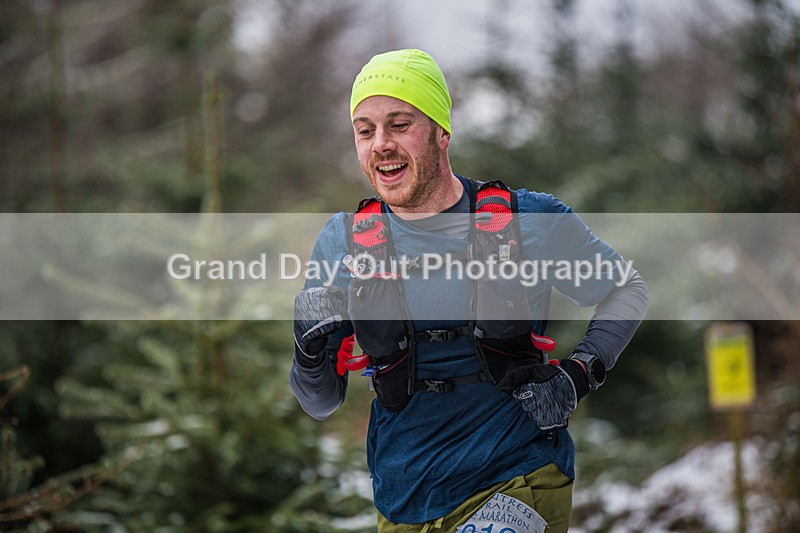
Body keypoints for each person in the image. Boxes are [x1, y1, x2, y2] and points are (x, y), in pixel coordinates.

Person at [289, 49, 649, 533]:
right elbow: (320, 402)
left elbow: (627, 287)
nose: (381, 145)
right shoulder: (343, 241)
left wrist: (578, 374)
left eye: (400, 124)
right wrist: (308, 350)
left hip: (518, 474)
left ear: (441, 132)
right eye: (365, 130)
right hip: (402, 500)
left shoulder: (527, 220)